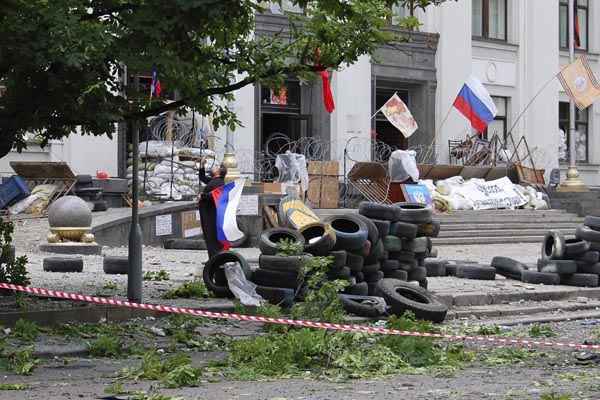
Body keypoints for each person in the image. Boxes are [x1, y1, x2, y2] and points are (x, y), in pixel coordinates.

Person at [198, 161, 228, 259]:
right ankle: (214, 258)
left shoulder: (218, 183)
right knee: (210, 237)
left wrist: (202, 196)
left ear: (218, 171)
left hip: (211, 215)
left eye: (215, 166)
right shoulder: (215, 180)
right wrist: (202, 165)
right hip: (209, 213)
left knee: (211, 237)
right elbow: (202, 178)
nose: (213, 167)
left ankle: (215, 258)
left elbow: (214, 195)